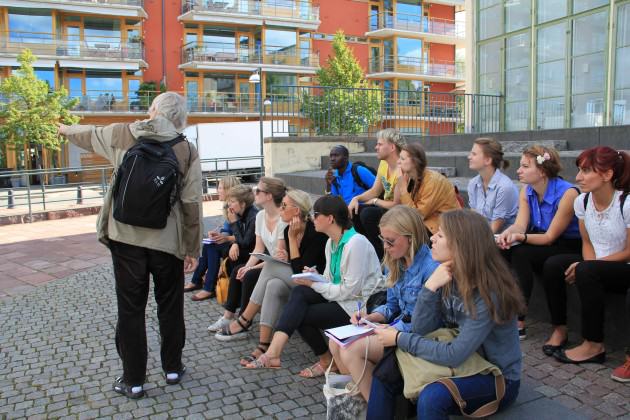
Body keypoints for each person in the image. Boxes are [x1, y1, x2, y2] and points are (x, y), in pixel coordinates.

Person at [58, 92, 203, 399]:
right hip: (168, 240)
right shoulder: (186, 150)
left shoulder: (124, 133)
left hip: (125, 238)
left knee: (131, 309)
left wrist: (63, 129)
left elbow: (87, 135)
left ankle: (133, 380)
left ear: (153, 110)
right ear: (180, 118)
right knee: (171, 305)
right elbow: (191, 203)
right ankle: (173, 368)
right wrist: (192, 248)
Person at [368, 210, 525, 420]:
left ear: (461, 246)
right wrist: (430, 287)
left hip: (495, 376)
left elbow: (454, 354)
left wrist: (399, 338)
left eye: (440, 235)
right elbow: (422, 328)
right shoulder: (446, 275)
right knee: (385, 371)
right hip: (464, 362)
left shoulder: (489, 293)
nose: (432, 237)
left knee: (433, 397)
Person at [244, 195, 384, 374]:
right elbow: (331, 279)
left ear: (330, 218)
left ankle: (322, 359)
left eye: (316, 214)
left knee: (300, 312)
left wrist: (314, 284)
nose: (312, 218)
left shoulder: (356, 243)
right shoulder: (331, 243)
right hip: (343, 299)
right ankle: (275, 353)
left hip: (358, 307)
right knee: (300, 294)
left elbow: (348, 291)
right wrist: (316, 277)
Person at [329, 205, 438, 400]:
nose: (385, 247)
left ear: (410, 238)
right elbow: (392, 306)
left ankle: (374, 405)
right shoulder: (395, 260)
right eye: (383, 240)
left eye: (390, 241)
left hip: (417, 337)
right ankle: (369, 396)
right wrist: (370, 316)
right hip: (397, 329)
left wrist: (390, 327)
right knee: (334, 343)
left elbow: (427, 323)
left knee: (350, 349)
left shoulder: (430, 268)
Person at [541, 147, 630, 377]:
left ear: (607, 175)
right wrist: (588, 266)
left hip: (624, 267)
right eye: (579, 170)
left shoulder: (626, 203)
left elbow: (629, 251)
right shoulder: (582, 201)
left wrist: (590, 267)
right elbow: (587, 242)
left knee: (587, 269)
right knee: (553, 265)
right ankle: (559, 329)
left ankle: (593, 344)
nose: (578, 177)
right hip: (597, 264)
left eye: (586, 170)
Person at [217, 189, 328, 365]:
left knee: (270, 266)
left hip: (317, 285)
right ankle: (264, 345)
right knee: (273, 285)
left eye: (284, 206)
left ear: (297, 210)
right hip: (297, 281)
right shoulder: (287, 231)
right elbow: (293, 263)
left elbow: (301, 270)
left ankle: (245, 319)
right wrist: (286, 254)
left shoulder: (315, 233)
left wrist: (291, 241)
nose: (280, 209)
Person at [496, 145, 581, 339]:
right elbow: (519, 225)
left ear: (542, 171)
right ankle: (501, 309)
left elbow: (550, 237)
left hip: (567, 243)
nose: (519, 171)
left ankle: (519, 318)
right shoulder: (527, 191)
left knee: (520, 252)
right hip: (541, 240)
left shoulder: (568, 193)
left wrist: (520, 237)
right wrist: (507, 235)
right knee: (503, 249)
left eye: (525, 166)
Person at [208, 177, 287, 337]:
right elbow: (258, 247)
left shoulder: (281, 219)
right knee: (241, 269)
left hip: (282, 266)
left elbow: (279, 258)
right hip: (267, 261)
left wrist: (251, 267)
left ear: (269, 196)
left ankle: (244, 322)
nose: (254, 192)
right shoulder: (260, 216)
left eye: (258, 190)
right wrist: (248, 265)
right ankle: (228, 316)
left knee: (248, 273)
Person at [206, 184, 258, 330]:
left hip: (256, 256)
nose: (229, 204)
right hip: (248, 252)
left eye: (233, 201)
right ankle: (230, 311)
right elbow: (242, 240)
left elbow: (246, 242)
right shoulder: (243, 214)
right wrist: (233, 241)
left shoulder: (253, 216)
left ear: (242, 204)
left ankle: (234, 314)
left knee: (236, 267)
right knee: (219, 249)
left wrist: (233, 223)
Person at [348, 128, 406, 259]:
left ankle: (382, 256)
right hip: (386, 207)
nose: (376, 147)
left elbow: (396, 205)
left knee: (368, 214)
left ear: (392, 147)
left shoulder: (401, 170)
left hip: (399, 212)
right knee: (355, 210)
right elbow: (375, 190)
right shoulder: (384, 164)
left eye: (380, 144)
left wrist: (374, 201)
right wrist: (356, 199)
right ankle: (367, 251)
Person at [185, 175, 241, 300]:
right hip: (232, 242)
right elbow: (227, 230)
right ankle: (197, 280)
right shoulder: (228, 206)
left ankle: (208, 287)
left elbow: (240, 233)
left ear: (229, 190)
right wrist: (217, 234)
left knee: (211, 246)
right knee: (209, 244)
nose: (217, 190)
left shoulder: (235, 207)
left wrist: (223, 236)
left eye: (220, 188)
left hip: (239, 245)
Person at [393, 143, 461, 235]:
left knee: (401, 232)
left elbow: (417, 216)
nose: (398, 162)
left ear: (415, 162)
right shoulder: (410, 176)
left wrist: (403, 189)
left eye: (402, 158)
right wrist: (400, 183)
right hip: (427, 220)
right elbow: (398, 204)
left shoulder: (432, 181)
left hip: (443, 225)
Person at [467, 138, 519, 233]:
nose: (469, 157)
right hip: (483, 236)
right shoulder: (473, 183)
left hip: (504, 241)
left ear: (487, 160)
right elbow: (474, 220)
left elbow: (494, 230)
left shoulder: (504, 187)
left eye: (474, 154)